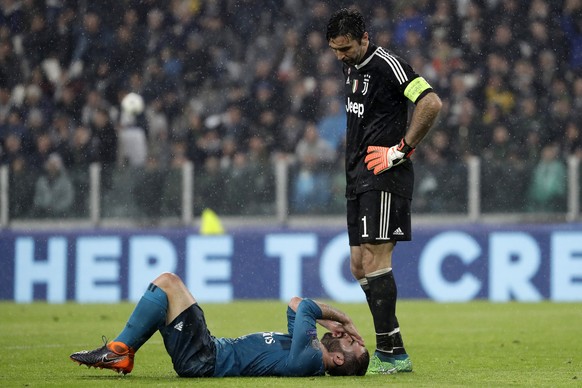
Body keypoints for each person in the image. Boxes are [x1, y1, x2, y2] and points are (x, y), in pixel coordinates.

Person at [326, 8, 442, 374]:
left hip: (384, 175)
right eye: (334, 50)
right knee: (358, 265)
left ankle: (391, 354)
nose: (339, 56)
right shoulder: (351, 66)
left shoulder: (388, 65)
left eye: (345, 48)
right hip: (356, 177)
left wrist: (400, 150)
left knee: (376, 260)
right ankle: (394, 345)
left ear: (364, 38)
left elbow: (431, 102)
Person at [70, 272, 370, 377]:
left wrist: (343, 318)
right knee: (165, 300)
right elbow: (294, 304)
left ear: (340, 358)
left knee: (169, 284)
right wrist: (329, 324)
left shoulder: (309, 358)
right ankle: (122, 351)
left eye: (351, 341)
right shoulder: (308, 346)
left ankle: (119, 350)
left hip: (206, 359)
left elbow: (304, 306)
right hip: (207, 354)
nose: (349, 335)